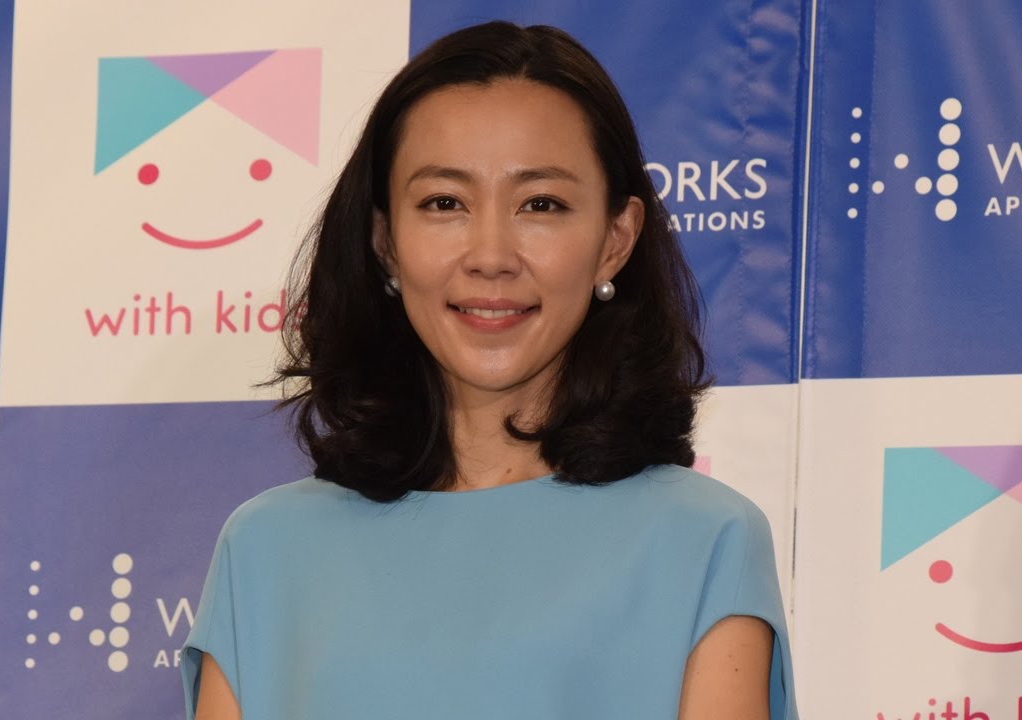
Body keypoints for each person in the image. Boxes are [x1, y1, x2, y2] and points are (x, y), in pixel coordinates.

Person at [180, 20, 798, 720]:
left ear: (615, 240)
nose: (491, 255)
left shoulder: (707, 543)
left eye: (541, 204)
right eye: (444, 203)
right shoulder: (263, 552)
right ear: (385, 242)